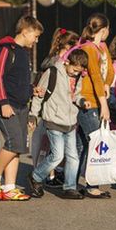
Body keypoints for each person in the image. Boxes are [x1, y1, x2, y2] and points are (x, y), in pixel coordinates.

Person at [0, 15, 44, 201]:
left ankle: (9, 187)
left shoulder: (23, 53)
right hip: (6, 105)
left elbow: (17, 80)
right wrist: (3, 103)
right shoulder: (6, 49)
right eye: (35, 36)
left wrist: (32, 90)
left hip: (21, 105)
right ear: (25, 32)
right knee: (13, 142)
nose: (36, 40)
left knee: (18, 147)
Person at [28, 48, 88, 200]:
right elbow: (39, 94)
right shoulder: (52, 72)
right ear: (67, 62)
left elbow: (76, 95)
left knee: (73, 157)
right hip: (53, 120)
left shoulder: (79, 76)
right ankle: (36, 176)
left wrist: (81, 101)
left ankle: (69, 187)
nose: (75, 73)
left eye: (78, 71)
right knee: (57, 155)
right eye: (74, 69)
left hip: (70, 122)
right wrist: (33, 115)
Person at [29, 28, 80, 174]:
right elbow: (42, 90)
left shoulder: (66, 63)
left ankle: (50, 172)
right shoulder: (56, 64)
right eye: (75, 47)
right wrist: (34, 113)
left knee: (53, 146)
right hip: (52, 110)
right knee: (51, 146)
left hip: (63, 111)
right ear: (67, 47)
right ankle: (43, 173)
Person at [75, 13, 115, 199]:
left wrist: (107, 84)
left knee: (83, 144)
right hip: (89, 100)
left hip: (98, 98)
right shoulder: (88, 49)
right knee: (94, 142)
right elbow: (94, 75)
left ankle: (72, 181)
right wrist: (104, 104)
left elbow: (108, 72)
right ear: (104, 30)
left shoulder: (103, 48)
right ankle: (92, 185)